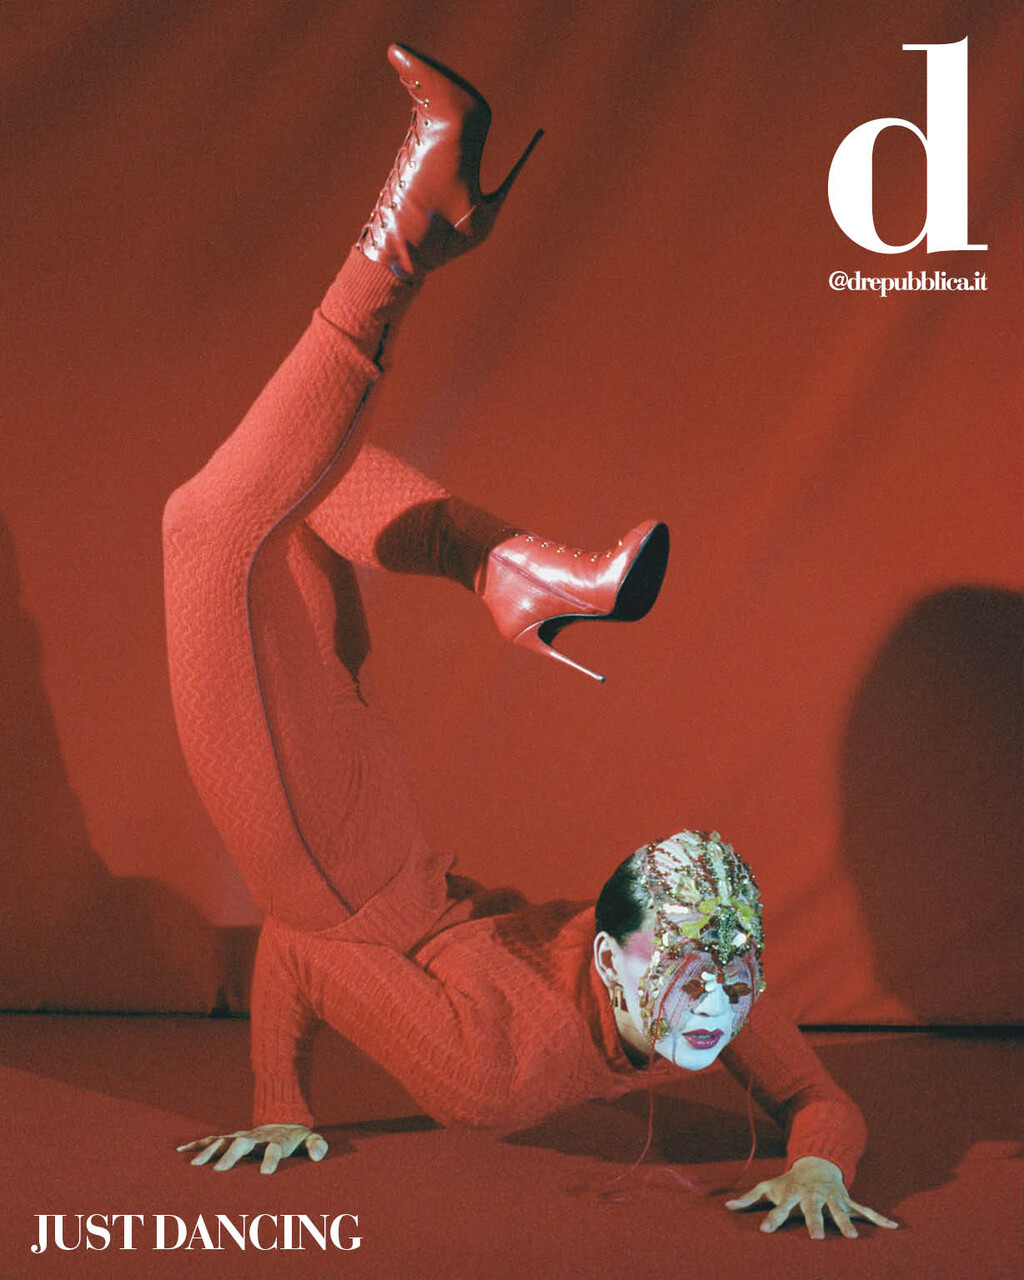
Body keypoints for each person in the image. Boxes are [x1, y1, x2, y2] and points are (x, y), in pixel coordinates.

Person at [166, 44, 898, 1240]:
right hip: (345, 859)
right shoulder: (499, 1070)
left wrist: (819, 1165)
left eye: (732, 968)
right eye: (695, 969)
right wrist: (276, 1092)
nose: (717, 1000)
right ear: (611, 961)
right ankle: (413, 241)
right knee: (219, 523)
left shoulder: (686, 978)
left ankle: (509, 564)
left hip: (368, 858)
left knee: (275, 489)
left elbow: (823, 1099)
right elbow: (304, 942)